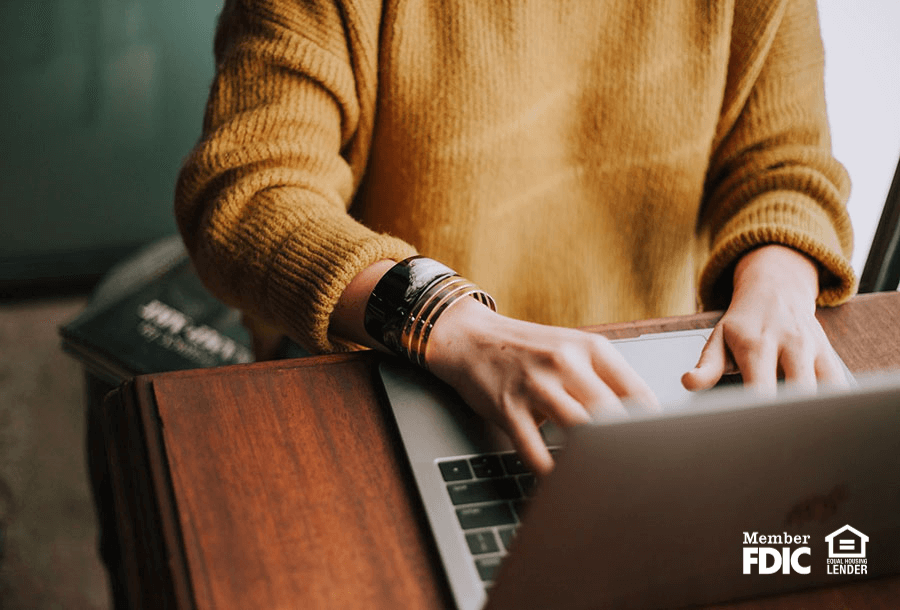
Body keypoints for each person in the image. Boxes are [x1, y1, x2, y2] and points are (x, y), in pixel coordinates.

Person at [175, 0, 855, 476]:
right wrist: (444, 320)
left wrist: (781, 278)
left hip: (645, 387)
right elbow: (248, 191)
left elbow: (786, 165)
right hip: (392, 366)